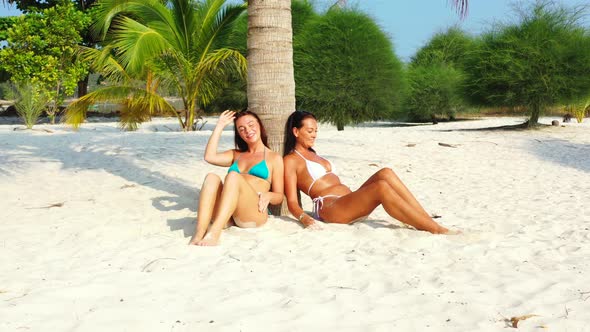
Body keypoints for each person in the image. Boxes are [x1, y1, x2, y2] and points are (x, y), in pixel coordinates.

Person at [283, 111, 457, 234]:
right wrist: (304, 219)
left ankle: (425, 218)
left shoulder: (314, 154)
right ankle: (436, 230)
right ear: (296, 131)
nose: (314, 135)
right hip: (331, 209)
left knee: (385, 173)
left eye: (316, 131)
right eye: (309, 131)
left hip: (348, 201)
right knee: (381, 187)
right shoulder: (291, 160)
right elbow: (291, 201)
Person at [189, 110, 284, 246]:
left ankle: (214, 232)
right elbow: (209, 157)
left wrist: (269, 195)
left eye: (251, 125)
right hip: (228, 215)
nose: (248, 130)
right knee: (211, 177)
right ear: (239, 134)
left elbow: (280, 196)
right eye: (242, 129)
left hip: (252, 213)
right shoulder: (236, 154)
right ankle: (199, 231)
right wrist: (220, 126)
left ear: (260, 125)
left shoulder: (274, 158)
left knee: (233, 176)